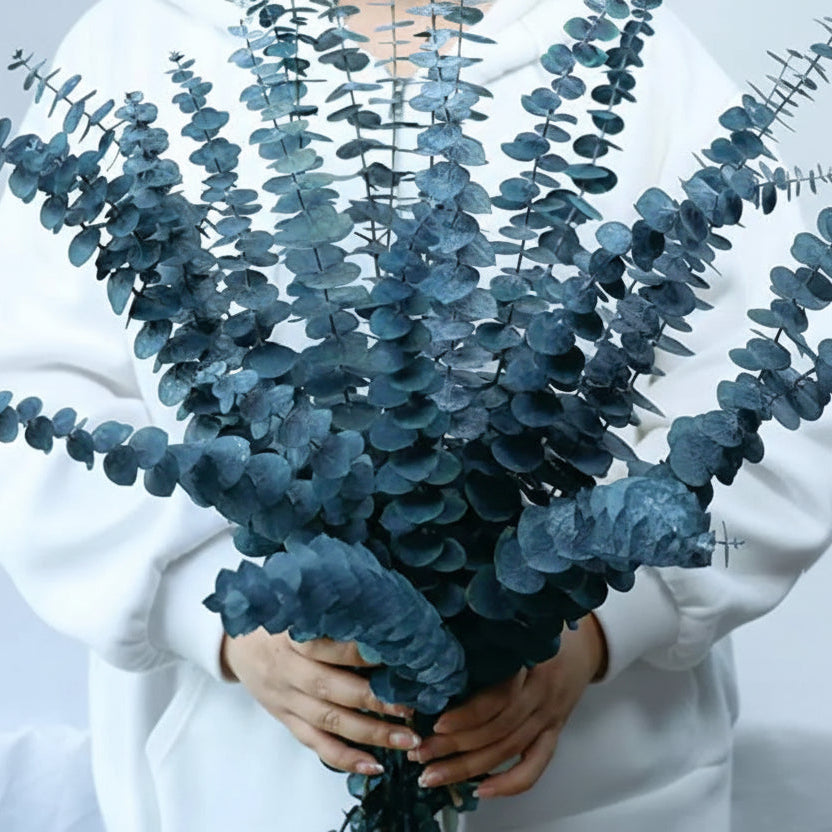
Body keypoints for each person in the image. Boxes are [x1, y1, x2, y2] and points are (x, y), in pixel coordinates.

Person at [1, 0, 830, 830]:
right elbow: (41, 398)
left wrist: (605, 624)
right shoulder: (137, 38)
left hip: (600, 790)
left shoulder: (631, 45)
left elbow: (780, 409)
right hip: (237, 787)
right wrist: (213, 616)